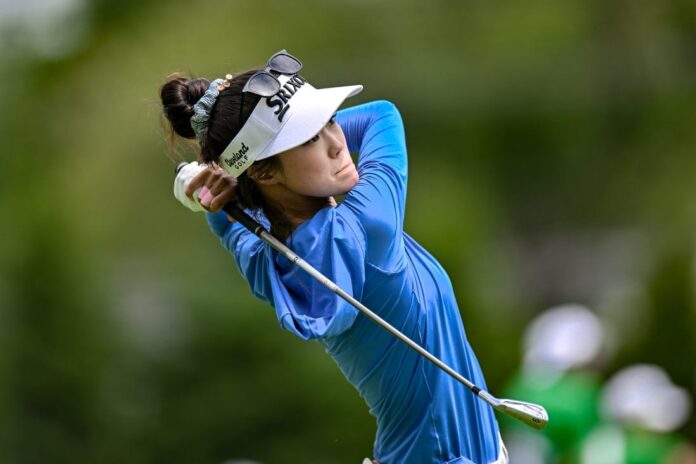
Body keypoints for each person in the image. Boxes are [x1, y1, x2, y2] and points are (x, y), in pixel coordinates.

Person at [160, 49, 505, 464]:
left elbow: (228, 222)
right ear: (264, 172)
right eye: (309, 138)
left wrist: (219, 186)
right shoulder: (370, 218)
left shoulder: (266, 258)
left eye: (331, 121)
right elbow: (381, 115)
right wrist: (220, 177)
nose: (337, 144)